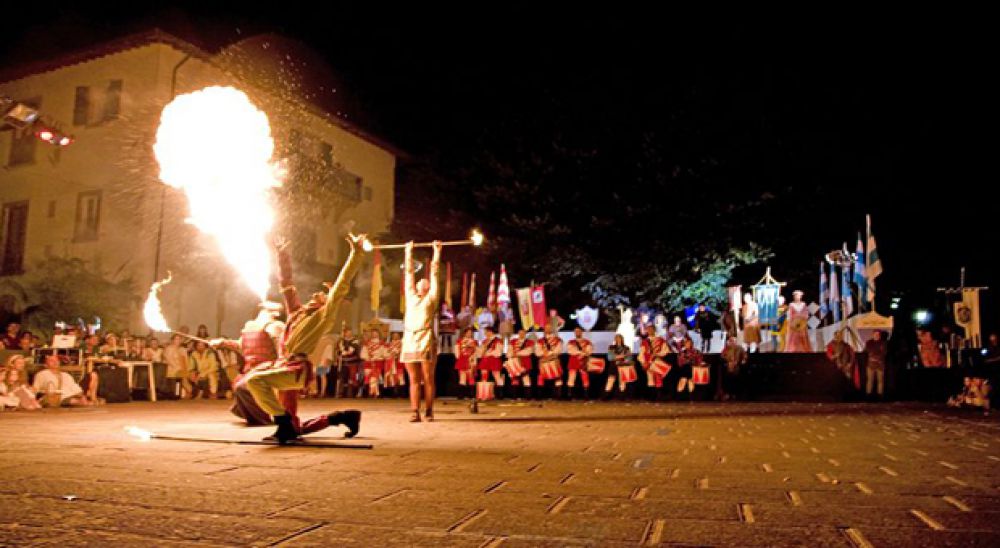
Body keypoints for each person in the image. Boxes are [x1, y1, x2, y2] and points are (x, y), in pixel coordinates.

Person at [220, 234, 366, 443]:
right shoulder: (296, 313)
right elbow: (286, 283)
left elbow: (342, 285)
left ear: (326, 302)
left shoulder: (323, 316)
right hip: (281, 367)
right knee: (293, 426)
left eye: (322, 295)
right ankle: (343, 417)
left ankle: (283, 424)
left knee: (255, 381)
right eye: (316, 293)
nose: (316, 294)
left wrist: (356, 254)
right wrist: (282, 255)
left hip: (295, 370)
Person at [401, 240, 442, 423]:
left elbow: (434, 272)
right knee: (414, 378)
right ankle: (414, 411)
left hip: (425, 337)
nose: (420, 282)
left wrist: (437, 251)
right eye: (420, 281)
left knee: (428, 377)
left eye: (424, 282)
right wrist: (408, 251)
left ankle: (429, 410)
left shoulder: (431, 298)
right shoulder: (410, 296)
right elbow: (408, 273)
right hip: (410, 337)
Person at [32, 355, 99, 407]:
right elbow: (35, 388)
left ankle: (89, 400)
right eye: (51, 361)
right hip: (57, 397)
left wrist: (82, 396)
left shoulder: (65, 375)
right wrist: (34, 401)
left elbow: (74, 387)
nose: (55, 362)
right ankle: (83, 402)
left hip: (71, 395)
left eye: (57, 360)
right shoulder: (42, 374)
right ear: (46, 364)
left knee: (93, 375)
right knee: (74, 401)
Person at [638, 324, 670, 398]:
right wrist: (643, 362)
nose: (650, 331)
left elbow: (666, 350)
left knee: (658, 377)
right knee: (650, 378)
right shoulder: (645, 341)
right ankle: (652, 396)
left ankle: (659, 396)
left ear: (654, 330)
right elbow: (642, 353)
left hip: (657, 361)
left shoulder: (660, 339)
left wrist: (657, 354)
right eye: (648, 329)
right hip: (648, 362)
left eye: (651, 329)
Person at [475, 325, 505, 398]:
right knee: (484, 376)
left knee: (497, 376)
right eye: (485, 332)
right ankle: (485, 394)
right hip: (485, 360)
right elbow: (480, 352)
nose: (485, 333)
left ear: (490, 332)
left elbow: (499, 352)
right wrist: (478, 350)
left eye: (486, 332)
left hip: (494, 359)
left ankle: (500, 395)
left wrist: (489, 353)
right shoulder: (484, 341)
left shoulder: (498, 340)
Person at [535, 326, 564, 398]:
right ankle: (540, 396)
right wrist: (544, 354)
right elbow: (537, 352)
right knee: (541, 377)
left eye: (549, 328)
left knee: (557, 377)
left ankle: (558, 396)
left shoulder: (558, 340)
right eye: (546, 328)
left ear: (551, 329)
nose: (547, 329)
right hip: (543, 362)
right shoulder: (539, 341)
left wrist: (548, 354)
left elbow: (558, 350)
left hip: (553, 360)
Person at [605, 333, 637, 400]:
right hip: (613, 366)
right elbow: (610, 357)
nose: (618, 339)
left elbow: (629, 358)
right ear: (615, 339)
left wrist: (624, 360)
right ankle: (606, 396)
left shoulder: (626, 348)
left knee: (622, 381)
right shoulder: (611, 347)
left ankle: (622, 396)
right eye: (617, 338)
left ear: (622, 339)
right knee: (610, 380)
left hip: (623, 366)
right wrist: (622, 356)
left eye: (619, 338)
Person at [506, 328, 535, 399]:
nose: (521, 334)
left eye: (523, 333)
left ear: (525, 334)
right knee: (514, 379)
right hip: (514, 362)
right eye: (520, 333)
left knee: (526, 378)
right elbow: (509, 351)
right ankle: (514, 396)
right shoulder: (512, 341)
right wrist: (511, 355)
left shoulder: (530, 342)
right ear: (518, 333)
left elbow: (528, 351)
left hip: (525, 362)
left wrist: (516, 354)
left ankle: (528, 397)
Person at [566, 327, 593, 400]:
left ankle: (586, 396)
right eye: (576, 331)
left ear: (582, 332)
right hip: (573, 361)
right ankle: (570, 396)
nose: (577, 333)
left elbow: (589, 351)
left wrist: (583, 354)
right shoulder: (571, 342)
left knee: (585, 378)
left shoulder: (587, 342)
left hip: (583, 362)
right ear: (574, 333)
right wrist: (581, 352)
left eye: (579, 331)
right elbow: (570, 351)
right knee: (571, 378)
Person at [336, 327, 362, 398]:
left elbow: (352, 350)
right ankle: (340, 393)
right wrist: (339, 354)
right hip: (343, 362)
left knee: (352, 378)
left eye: (350, 332)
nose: (348, 334)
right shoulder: (341, 341)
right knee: (342, 378)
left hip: (353, 362)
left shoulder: (355, 341)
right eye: (347, 332)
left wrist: (345, 352)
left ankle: (350, 394)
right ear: (344, 333)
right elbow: (338, 351)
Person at [718, 336, 748, 401]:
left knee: (736, 379)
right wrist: (727, 362)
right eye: (731, 341)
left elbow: (745, 356)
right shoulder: (726, 349)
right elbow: (722, 357)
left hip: (737, 367)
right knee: (727, 379)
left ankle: (735, 394)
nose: (732, 342)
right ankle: (728, 394)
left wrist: (743, 360)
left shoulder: (740, 348)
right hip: (728, 367)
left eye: (733, 341)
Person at [163, 334, 191, 399]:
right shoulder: (169, 348)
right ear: (173, 340)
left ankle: (186, 392)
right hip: (173, 371)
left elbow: (186, 361)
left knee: (186, 383)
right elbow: (168, 359)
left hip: (182, 371)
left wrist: (187, 370)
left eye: (179, 339)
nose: (178, 341)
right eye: (176, 339)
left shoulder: (183, 349)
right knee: (178, 387)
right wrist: (178, 368)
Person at [360, 328, 386, 398]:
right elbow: (363, 353)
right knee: (368, 377)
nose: (374, 334)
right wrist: (367, 357)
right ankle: (369, 392)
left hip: (378, 362)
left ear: (378, 334)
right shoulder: (367, 343)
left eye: (376, 333)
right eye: (373, 333)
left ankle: (376, 393)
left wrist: (379, 357)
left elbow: (385, 353)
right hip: (368, 362)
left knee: (377, 377)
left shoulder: (382, 343)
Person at [454, 327, 478, 399]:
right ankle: (461, 395)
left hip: (471, 360)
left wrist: (474, 359)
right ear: (465, 333)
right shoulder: (459, 341)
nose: (469, 334)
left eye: (471, 333)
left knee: (471, 377)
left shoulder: (474, 342)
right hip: (462, 359)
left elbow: (476, 352)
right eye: (468, 332)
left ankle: (472, 394)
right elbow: (457, 351)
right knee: (462, 377)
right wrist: (459, 357)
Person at [864, 330, 888, 399]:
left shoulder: (883, 343)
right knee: (870, 381)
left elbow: (884, 353)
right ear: (873, 335)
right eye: (875, 334)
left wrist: (876, 357)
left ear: (880, 335)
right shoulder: (869, 343)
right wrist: (873, 356)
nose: (876, 335)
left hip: (880, 365)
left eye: (878, 334)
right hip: (870, 365)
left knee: (880, 381)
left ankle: (880, 396)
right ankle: (868, 396)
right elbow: (868, 351)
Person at [384, 332, 405, 397]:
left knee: (400, 377)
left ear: (399, 336)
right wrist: (390, 354)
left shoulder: (402, 343)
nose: (395, 337)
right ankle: (391, 393)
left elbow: (403, 351)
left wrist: (398, 353)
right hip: (390, 362)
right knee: (391, 377)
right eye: (394, 335)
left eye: (397, 335)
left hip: (399, 362)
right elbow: (385, 352)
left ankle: (400, 393)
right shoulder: (388, 344)